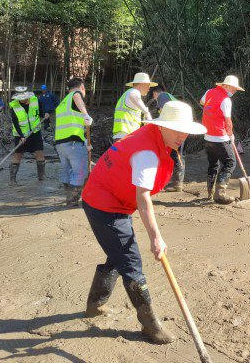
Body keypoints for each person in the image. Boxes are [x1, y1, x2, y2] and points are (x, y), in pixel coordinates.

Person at [81, 101, 206, 344]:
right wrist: (156, 238)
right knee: (131, 263)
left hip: (110, 196)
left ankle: (94, 305)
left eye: (185, 131)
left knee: (118, 254)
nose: (182, 136)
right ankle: (151, 326)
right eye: (177, 130)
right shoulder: (147, 153)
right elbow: (143, 197)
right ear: (162, 126)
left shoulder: (154, 136)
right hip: (103, 204)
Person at [200, 75, 244, 204]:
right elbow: (228, 122)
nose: (235, 91)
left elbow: (202, 102)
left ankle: (210, 192)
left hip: (207, 136)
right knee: (230, 162)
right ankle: (220, 194)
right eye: (234, 89)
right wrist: (230, 135)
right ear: (226, 86)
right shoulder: (226, 100)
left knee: (213, 164)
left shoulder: (209, 92)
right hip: (219, 137)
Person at [55, 77, 94, 205]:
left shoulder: (63, 102)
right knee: (80, 172)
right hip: (73, 142)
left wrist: (85, 143)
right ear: (82, 87)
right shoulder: (76, 94)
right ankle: (72, 200)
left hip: (61, 144)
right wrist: (85, 114)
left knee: (66, 171)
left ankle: (68, 197)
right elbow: (77, 96)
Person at [9, 86, 45, 185]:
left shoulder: (35, 100)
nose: (24, 100)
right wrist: (21, 136)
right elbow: (15, 124)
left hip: (35, 132)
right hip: (20, 134)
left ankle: (41, 177)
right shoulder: (14, 106)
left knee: (39, 153)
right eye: (21, 98)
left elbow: (41, 112)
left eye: (25, 98)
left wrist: (45, 114)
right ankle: (12, 180)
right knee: (18, 155)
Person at [152, 86, 185, 192]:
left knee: (177, 155)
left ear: (155, 93)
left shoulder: (162, 96)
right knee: (174, 154)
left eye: (153, 95)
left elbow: (164, 115)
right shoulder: (168, 96)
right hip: (178, 128)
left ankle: (177, 184)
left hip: (178, 129)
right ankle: (174, 182)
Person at [113, 72, 156, 140]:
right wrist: (146, 112)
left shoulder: (127, 94)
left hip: (123, 135)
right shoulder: (134, 91)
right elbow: (132, 95)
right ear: (142, 84)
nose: (149, 89)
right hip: (125, 136)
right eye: (148, 86)